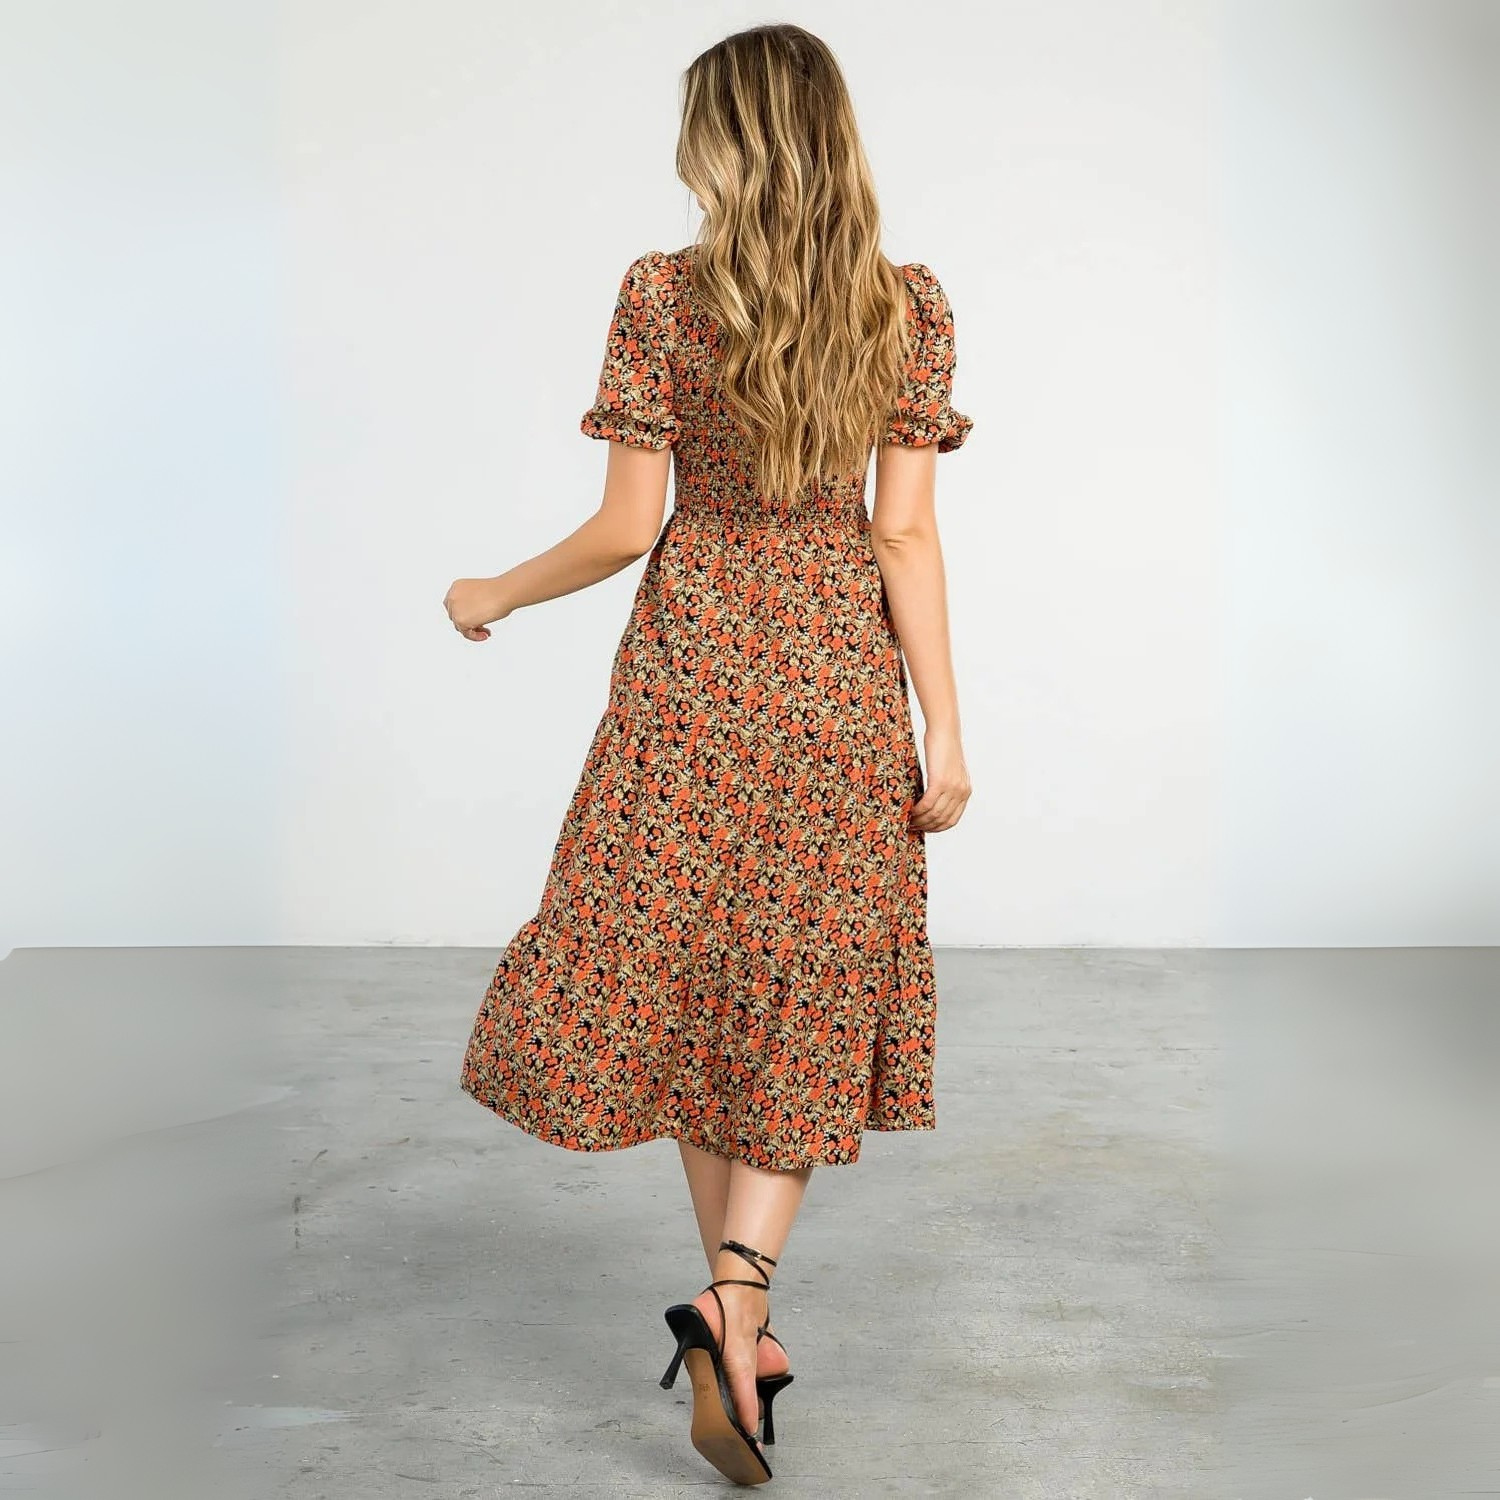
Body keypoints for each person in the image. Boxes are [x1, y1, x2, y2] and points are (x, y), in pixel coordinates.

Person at [445, 22, 972, 1486]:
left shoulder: (663, 295)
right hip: (835, 679)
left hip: (693, 670)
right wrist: (943, 725)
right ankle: (741, 1311)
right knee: (799, 990)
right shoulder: (906, 306)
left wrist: (495, 590)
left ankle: (733, 1316)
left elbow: (629, 526)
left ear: (723, 144)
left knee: (690, 986)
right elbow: (903, 532)